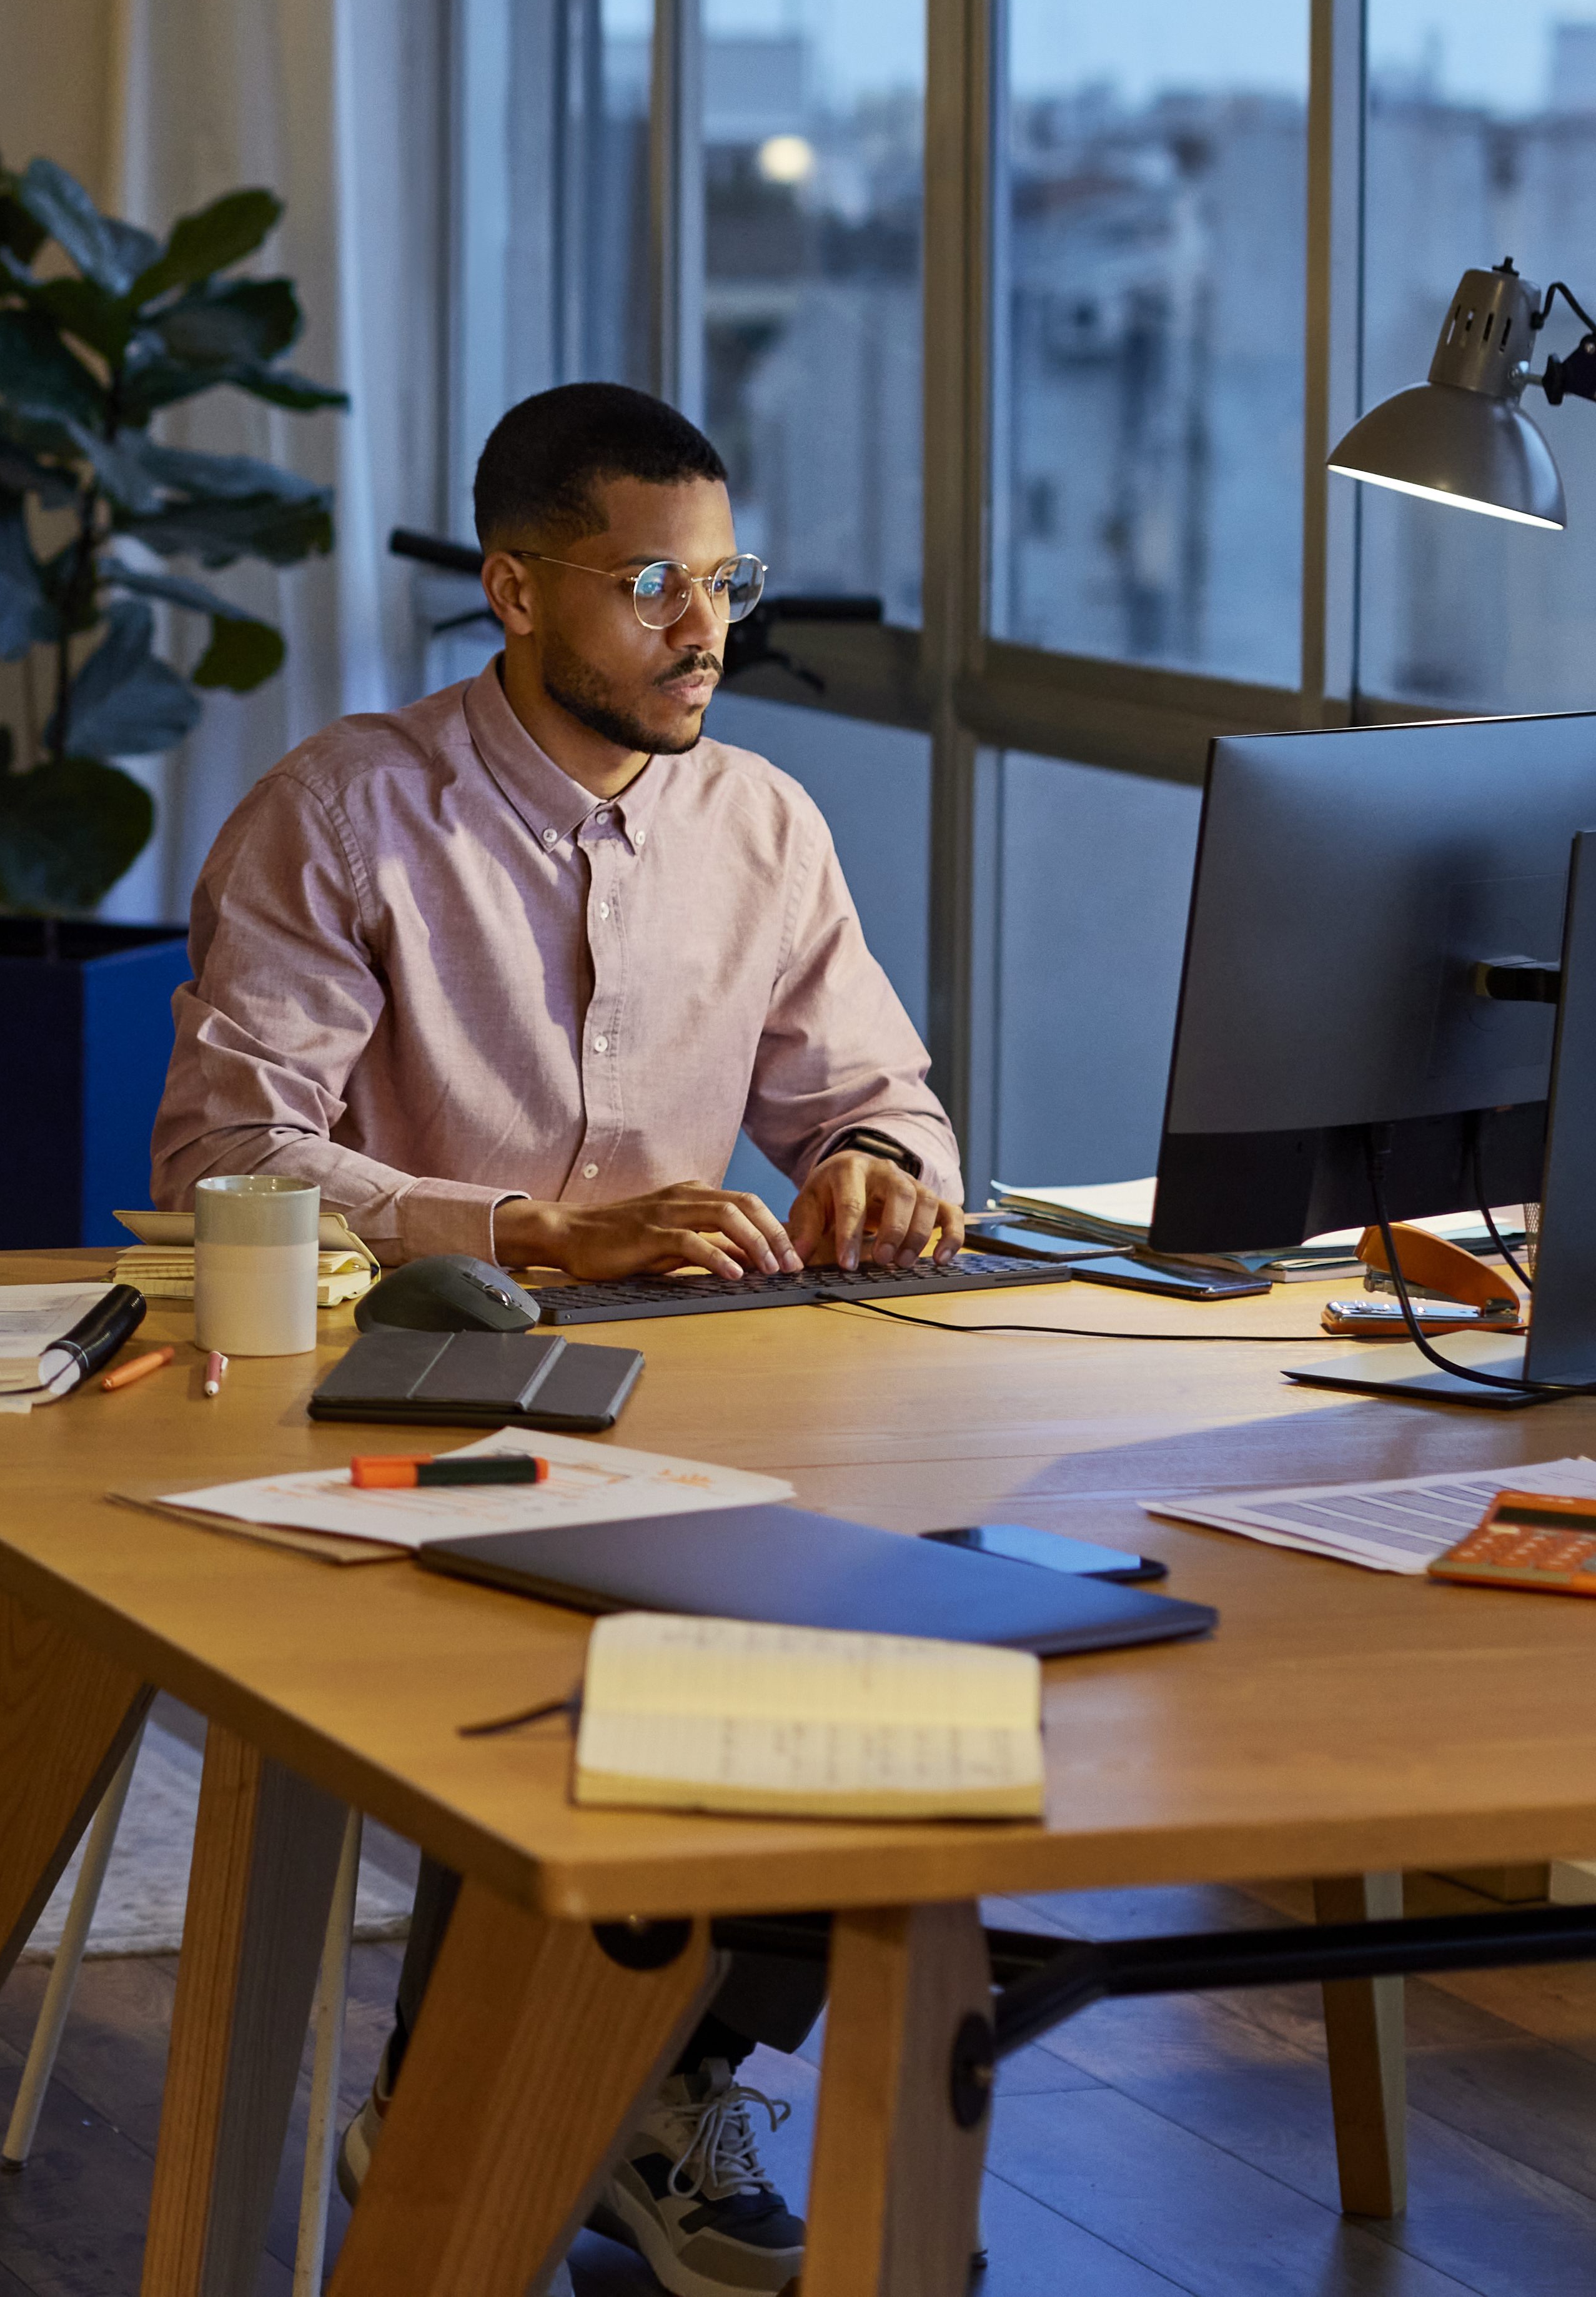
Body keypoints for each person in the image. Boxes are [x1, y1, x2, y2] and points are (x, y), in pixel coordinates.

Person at [151, 379, 962, 2297]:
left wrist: (872, 1166)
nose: (707, 634)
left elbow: (890, 1095)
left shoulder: (764, 824)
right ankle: (485, 2098)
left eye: (726, 583)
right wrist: (527, 1229)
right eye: (652, 587)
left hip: (710, 1392)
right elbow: (226, 1159)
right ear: (515, 592)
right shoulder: (343, 814)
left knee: (929, 1621)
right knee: (627, 1625)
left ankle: (643, 2084)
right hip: (406, 1402)